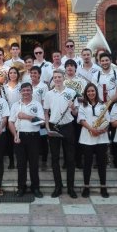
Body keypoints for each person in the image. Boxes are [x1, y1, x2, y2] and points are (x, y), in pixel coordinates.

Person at [44, 70, 78, 198]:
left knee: (70, 159)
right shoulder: (48, 94)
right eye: (55, 77)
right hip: (54, 127)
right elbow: (46, 113)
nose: (57, 79)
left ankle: (71, 188)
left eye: (59, 77)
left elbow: (75, 114)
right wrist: (47, 128)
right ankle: (58, 186)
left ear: (64, 78)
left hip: (68, 127)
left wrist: (73, 107)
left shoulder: (71, 93)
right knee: (55, 158)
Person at [8, 82, 44, 198]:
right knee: (21, 164)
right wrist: (15, 135)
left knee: (34, 164)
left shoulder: (37, 104)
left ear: (32, 91)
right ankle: (21, 187)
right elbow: (10, 122)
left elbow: (42, 121)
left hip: (34, 137)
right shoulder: (15, 105)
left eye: (28, 90)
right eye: (24, 90)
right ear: (20, 92)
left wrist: (26, 117)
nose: (26, 92)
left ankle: (36, 188)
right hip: (20, 137)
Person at [78, 83, 110, 198]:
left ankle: (103, 187)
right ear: (86, 93)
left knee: (102, 164)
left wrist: (101, 131)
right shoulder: (83, 105)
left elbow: (107, 120)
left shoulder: (103, 105)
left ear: (96, 92)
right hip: (87, 138)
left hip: (101, 139)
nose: (91, 93)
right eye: (88, 91)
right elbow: (81, 120)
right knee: (87, 164)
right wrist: (92, 129)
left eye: (92, 91)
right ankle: (86, 187)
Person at [3, 67, 22, 169]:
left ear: (18, 74)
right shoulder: (3, 87)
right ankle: (11, 161)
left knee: (18, 138)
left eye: (15, 73)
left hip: (19, 115)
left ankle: (20, 160)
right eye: (11, 73)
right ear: (8, 75)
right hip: (8, 115)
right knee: (9, 140)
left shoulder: (21, 86)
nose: (13, 74)